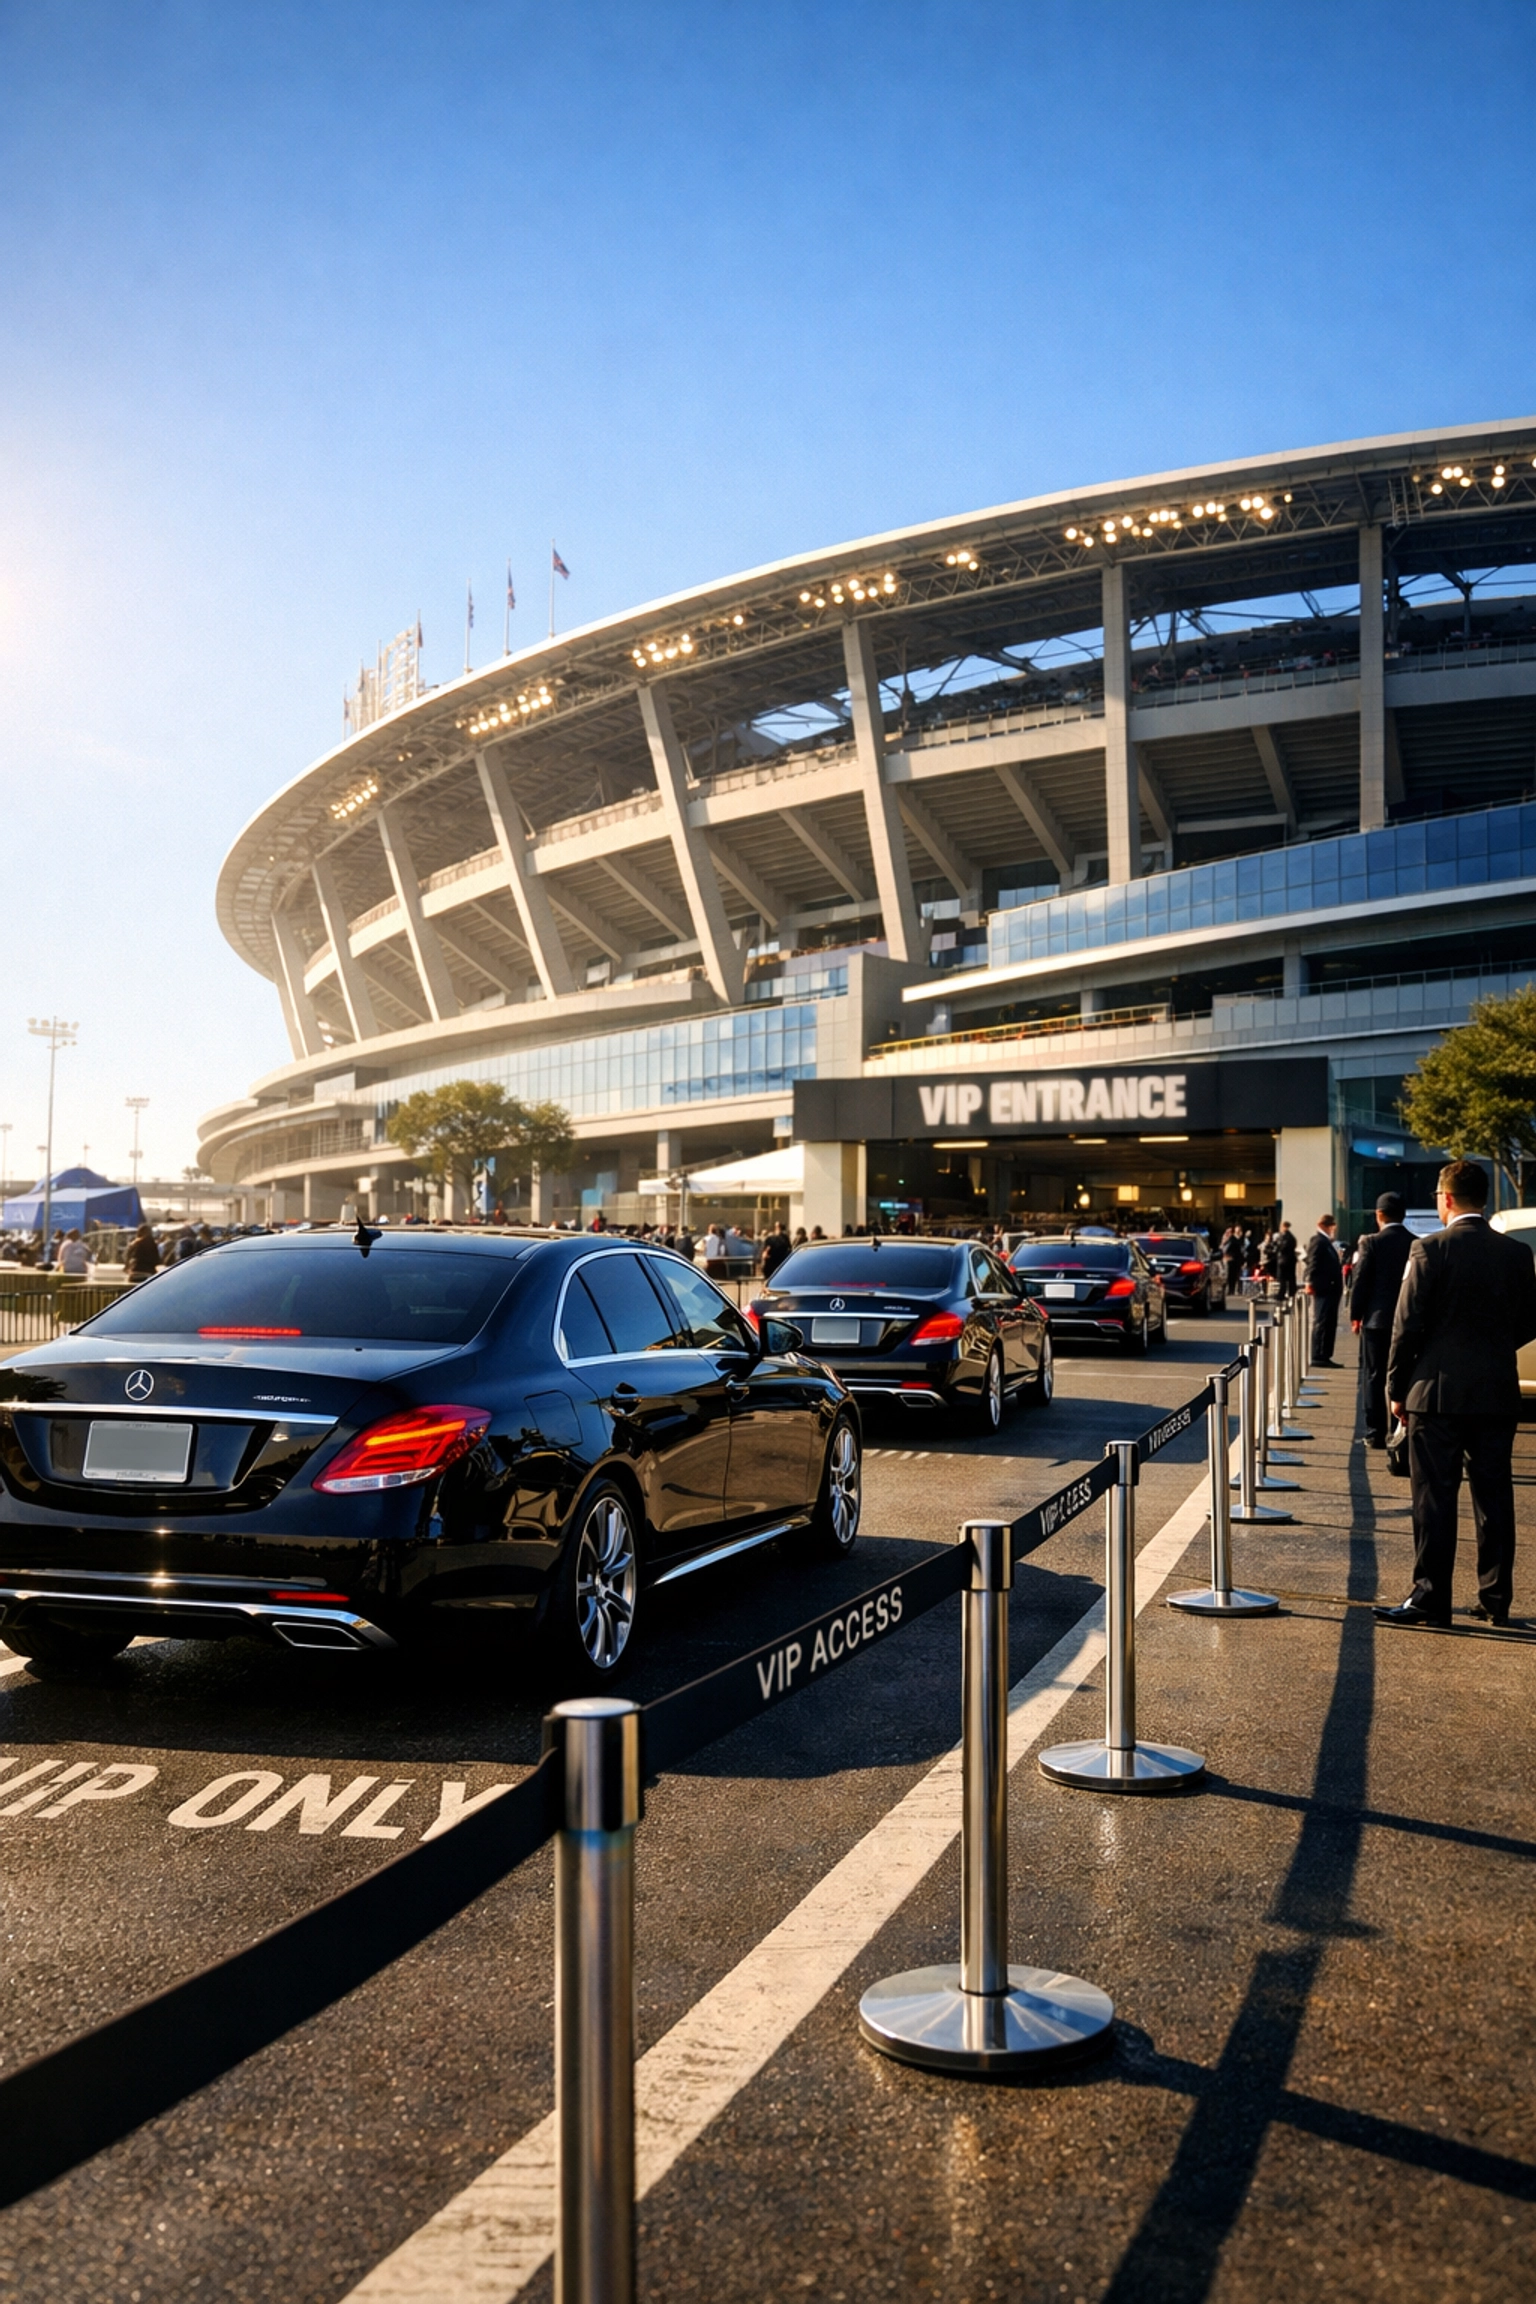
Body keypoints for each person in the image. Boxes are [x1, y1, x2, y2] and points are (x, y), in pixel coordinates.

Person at [1378, 1160, 1536, 1629]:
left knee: (1434, 1499)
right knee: (1494, 1497)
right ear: (1483, 1198)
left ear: (1445, 1198)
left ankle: (1431, 1598)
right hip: (1495, 1391)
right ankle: (1496, 1597)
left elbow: (1404, 1327)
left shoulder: (1429, 1249)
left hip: (1435, 1393)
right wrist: (1491, 1350)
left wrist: (1395, 1386)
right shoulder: (1514, 1254)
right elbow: (1530, 1320)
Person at [1349, 1192, 1413, 1446]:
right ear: (1403, 1215)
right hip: (1408, 1321)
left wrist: (1356, 1315)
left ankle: (1375, 1432)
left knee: (1374, 1375)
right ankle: (1401, 1428)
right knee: (1404, 1374)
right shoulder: (1417, 1243)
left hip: (1377, 1320)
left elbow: (1360, 1281)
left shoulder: (1371, 1242)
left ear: (1379, 1215)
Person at [1302, 1213, 1343, 1364]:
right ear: (1325, 1226)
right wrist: (1309, 1282)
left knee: (1328, 1321)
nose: (1334, 1229)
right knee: (1322, 1321)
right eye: (1332, 1226)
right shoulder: (1318, 1241)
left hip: (1329, 1288)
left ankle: (1325, 1353)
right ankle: (1318, 1354)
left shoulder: (1326, 1242)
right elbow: (1313, 1262)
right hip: (1324, 1287)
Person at [1272, 1218, 1299, 1301]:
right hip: (1288, 1260)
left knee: (1283, 1278)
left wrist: (1276, 1246)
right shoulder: (1289, 1237)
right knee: (1290, 1277)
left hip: (1285, 1260)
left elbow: (1282, 1248)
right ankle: (1291, 1292)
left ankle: (1282, 1293)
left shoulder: (1286, 1237)